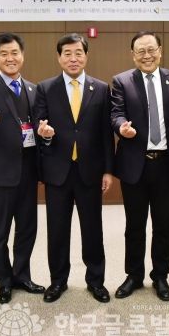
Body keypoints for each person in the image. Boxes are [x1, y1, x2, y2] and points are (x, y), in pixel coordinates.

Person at [35, 33, 114, 303]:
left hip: (90, 171)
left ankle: (96, 281)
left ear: (86, 56)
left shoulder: (101, 88)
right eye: (67, 53)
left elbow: (106, 133)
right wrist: (45, 134)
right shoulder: (46, 88)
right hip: (57, 172)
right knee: (57, 230)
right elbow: (40, 127)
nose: (73, 58)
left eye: (78, 53)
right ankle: (58, 281)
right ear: (59, 58)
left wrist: (108, 170)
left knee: (93, 229)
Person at [110, 31, 169, 301]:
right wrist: (121, 127)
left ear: (160, 51)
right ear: (133, 55)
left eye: (151, 50)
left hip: (166, 164)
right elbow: (116, 113)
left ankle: (161, 276)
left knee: (163, 225)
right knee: (134, 225)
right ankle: (134, 275)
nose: (147, 55)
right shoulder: (121, 81)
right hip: (135, 164)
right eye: (141, 51)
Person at [0, 33, 44, 304]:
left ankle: (22, 276)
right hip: (1, 174)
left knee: (27, 229)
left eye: (14, 53)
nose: (10, 58)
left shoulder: (33, 89)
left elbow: (38, 126)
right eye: (4, 54)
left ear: (22, 56)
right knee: (0, 232)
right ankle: (4, 282)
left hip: (29, 172)